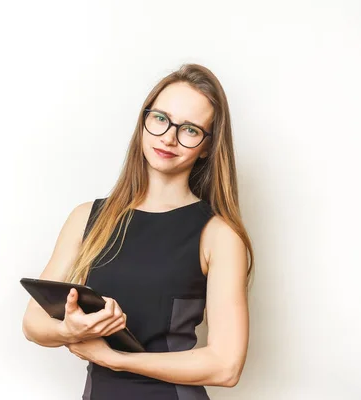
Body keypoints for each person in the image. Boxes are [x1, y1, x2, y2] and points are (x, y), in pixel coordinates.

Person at [22, 63, 253, 400]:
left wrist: (118, 360)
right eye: (160, 118)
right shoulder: (87, 217)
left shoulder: (219, 234)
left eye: (189, 129)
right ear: (144, 121)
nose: (169, 137)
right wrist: (67, 329)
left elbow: (226, 366)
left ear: (207, 145)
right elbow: (32, 324)